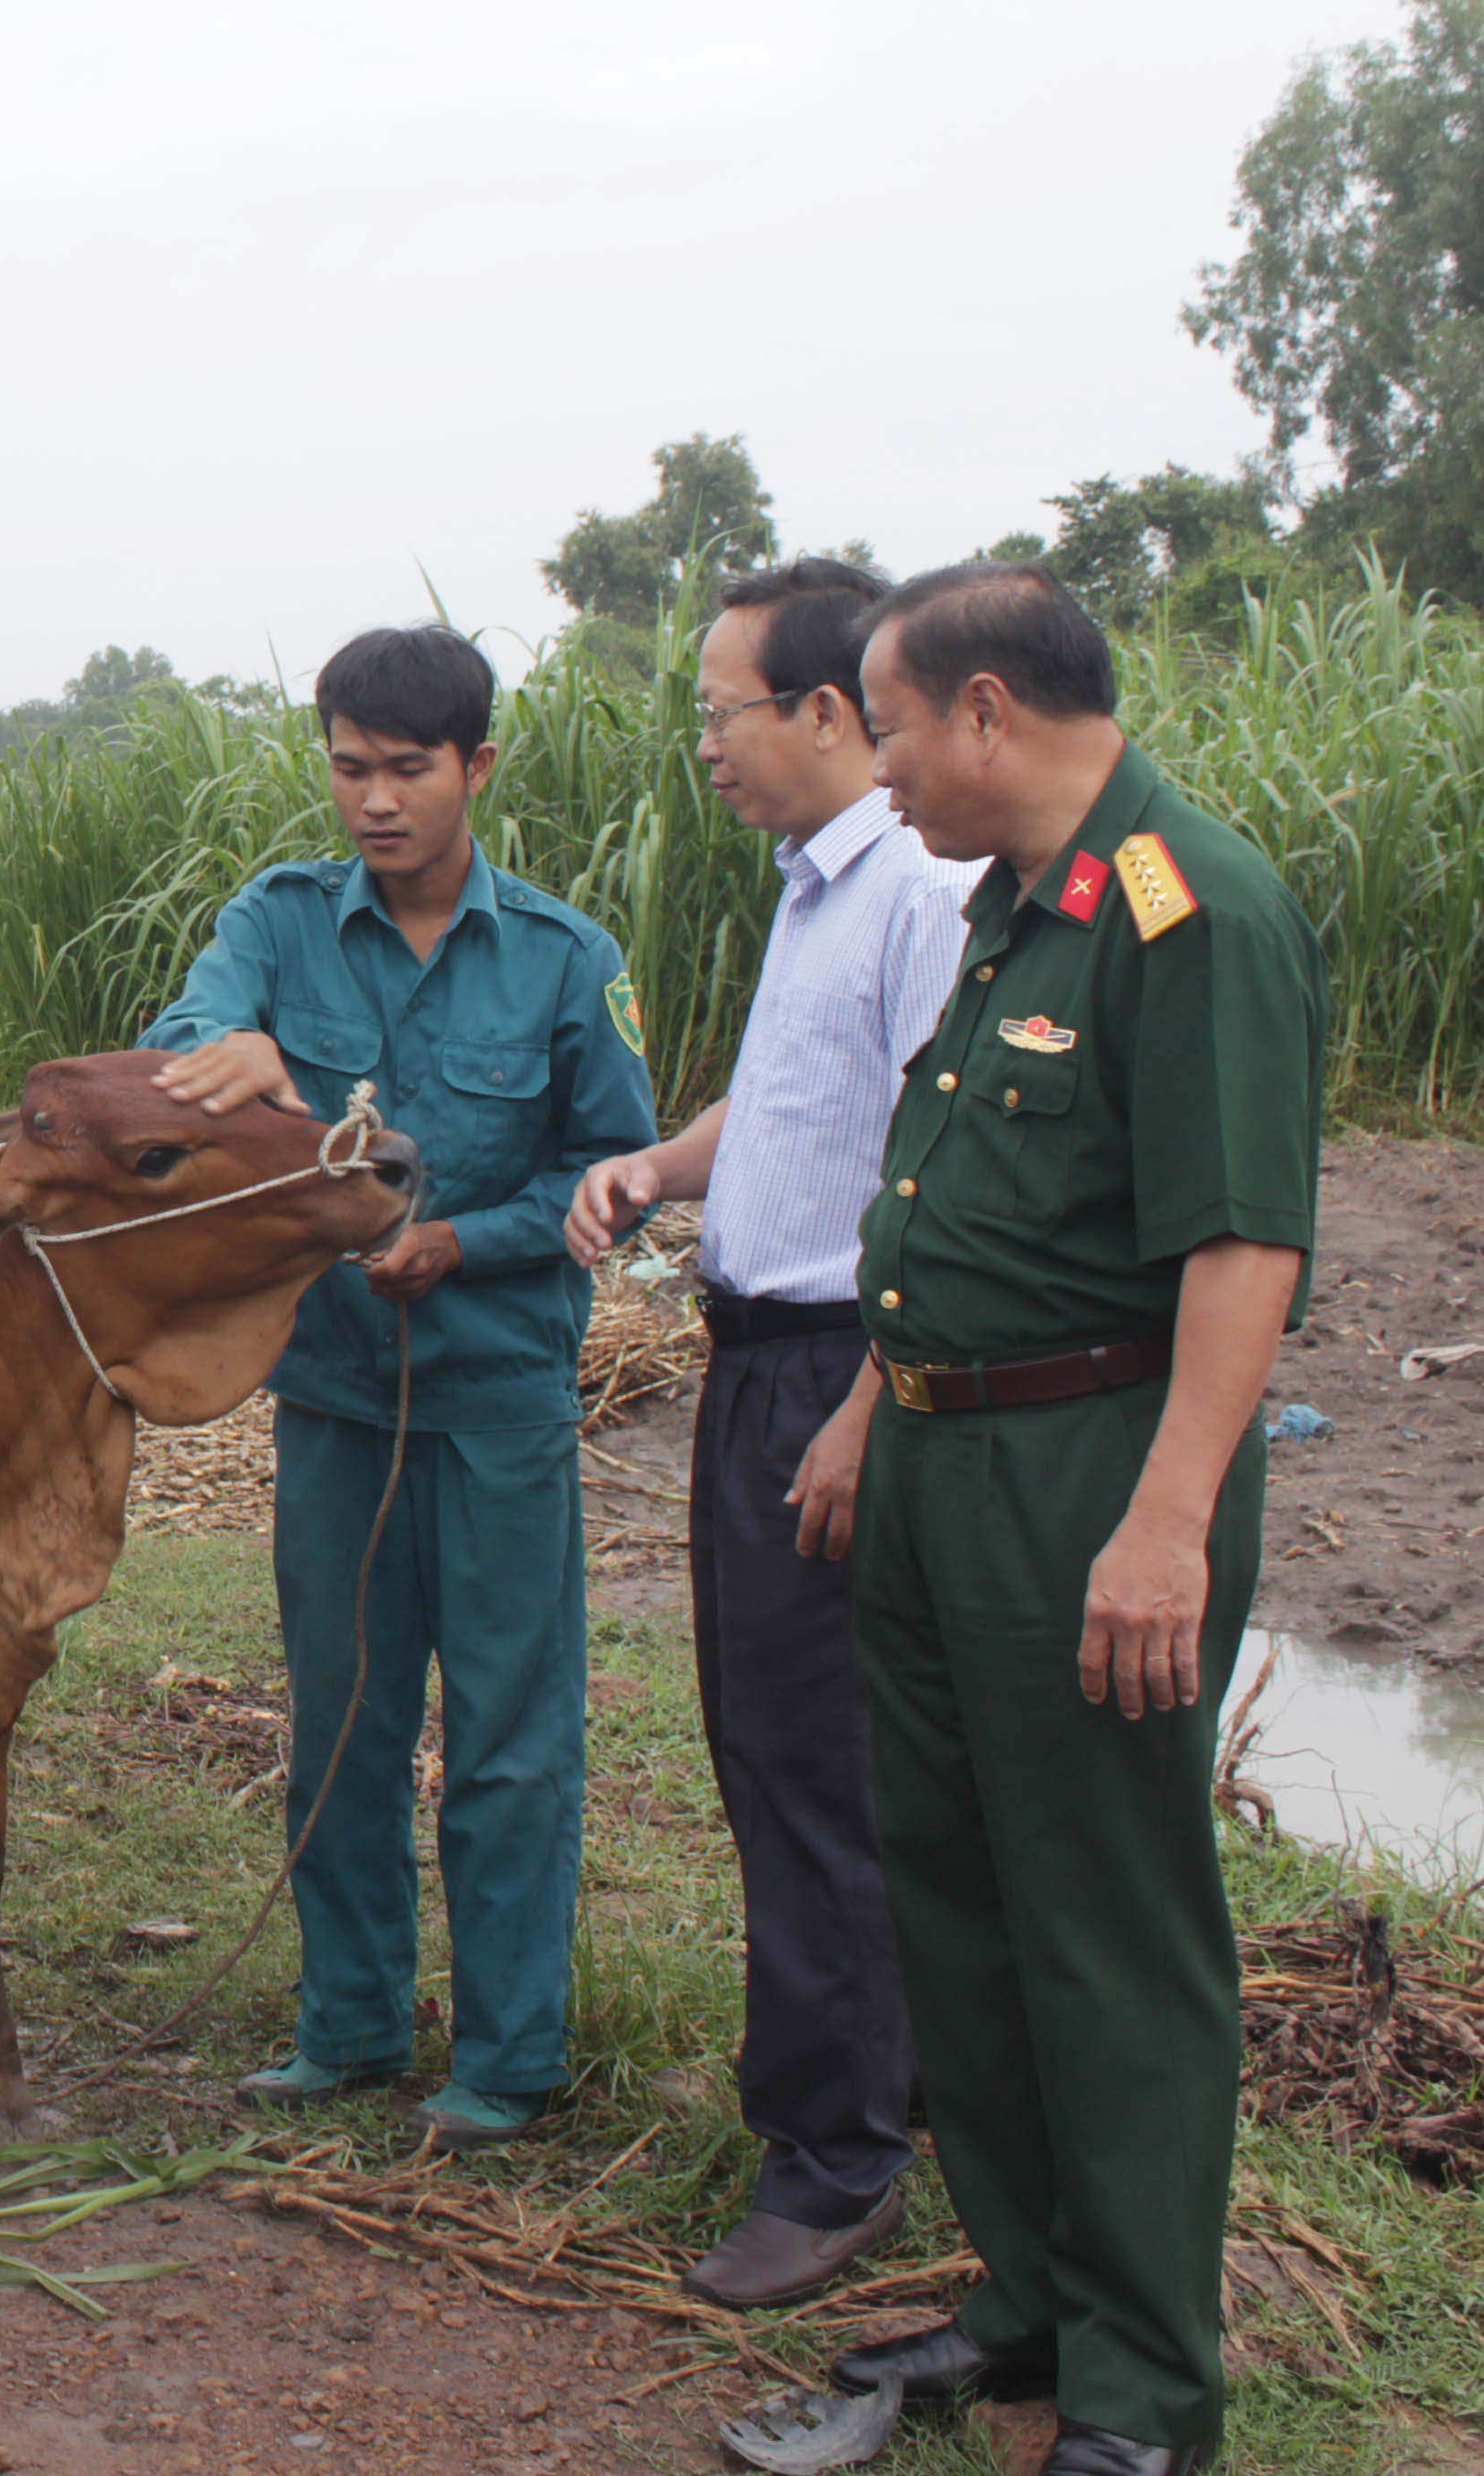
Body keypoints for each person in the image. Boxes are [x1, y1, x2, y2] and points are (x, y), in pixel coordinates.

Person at [825, 564, 1322, 2476]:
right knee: (958, 1897)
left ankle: (1141, 2395)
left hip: (1086, 1480)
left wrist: (1166, 1522)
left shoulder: (1192, 909)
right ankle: (1026, 2298)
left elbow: (1241, 1243)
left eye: (887, 731)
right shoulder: (1018, 906)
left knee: (1108, 1927)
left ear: (982, 711)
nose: (880, 774)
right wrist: (874, 1410)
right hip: (940, 1462)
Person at [142, 625, 656, 2148]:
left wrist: (465, 1242)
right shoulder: (280, 922)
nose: (375, 800)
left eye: (408, 770)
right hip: (335, 1401)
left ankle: (507, 2059)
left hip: (499, 1406)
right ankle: (350, 2027)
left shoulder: (565, 959)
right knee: (344, 1721)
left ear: (475, 768)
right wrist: (238, 1052)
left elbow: (612, 1171)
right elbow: (186, 1041)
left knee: (509, 1739)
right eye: (350, 769)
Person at [564, 559, 978, 2308]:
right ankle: (885, 2087)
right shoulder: (821, 888)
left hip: (841, 1374)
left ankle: (834, 2159)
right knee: (770, 1748)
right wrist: (660, 1166)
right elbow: (803, 1100)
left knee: (816, 1768)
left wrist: (872, 1402)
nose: (708, 746)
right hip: (761, 1367)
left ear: (823, 710)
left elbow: (953, 1169)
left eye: (722, 711)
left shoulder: (922, 893)